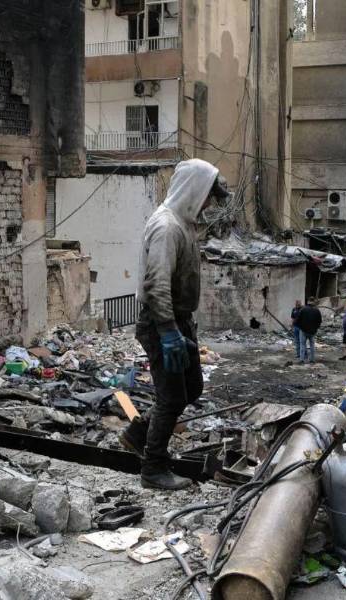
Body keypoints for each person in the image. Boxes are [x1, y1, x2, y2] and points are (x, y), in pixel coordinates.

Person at [119, 158, 229, 490]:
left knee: (191, 387)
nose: (209, 202)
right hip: (161, 322)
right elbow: (156, 283)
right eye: (208, 194)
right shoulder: (167, 226)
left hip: (178, 321)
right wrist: (167, 331)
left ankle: (139, 433)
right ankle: (153, 469)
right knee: (171, 397)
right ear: (195, 190)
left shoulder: (183, 223)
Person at [295, 297, 322, 364]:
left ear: (308, 301)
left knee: (302, 345)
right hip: (312, 331)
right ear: (313, 302)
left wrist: (300, 327)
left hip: (303, 331)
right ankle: (312, 360)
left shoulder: (303, 309)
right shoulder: (317, 310)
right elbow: (319, 321)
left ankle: (302, 360)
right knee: (312, 346)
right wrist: (315, 328)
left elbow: (297, 320)